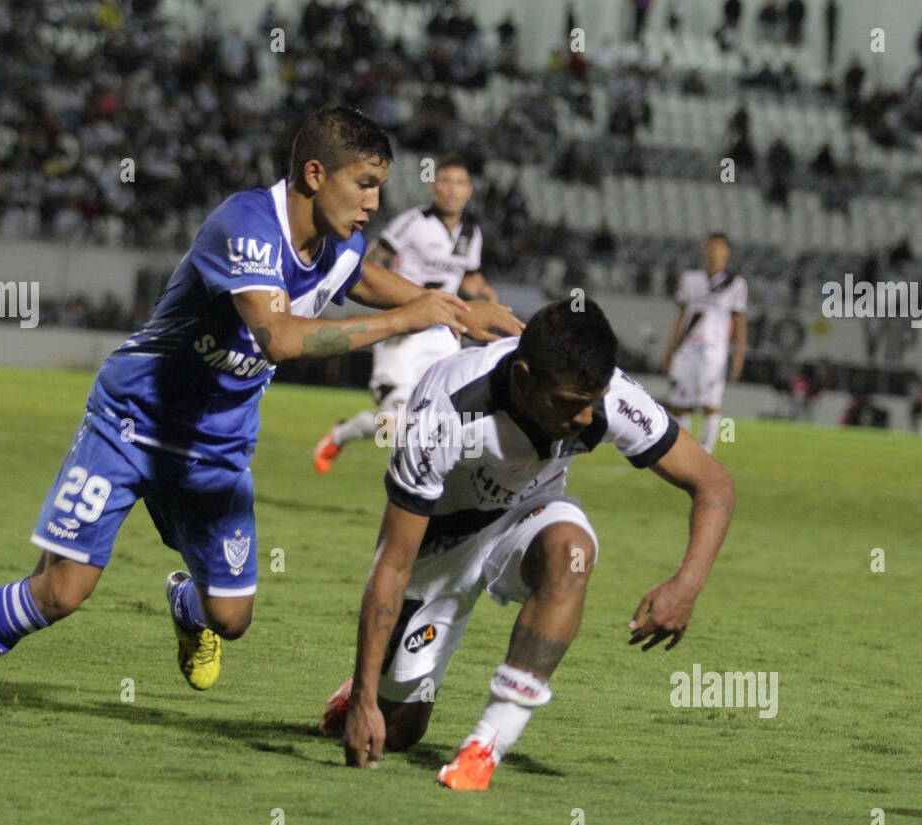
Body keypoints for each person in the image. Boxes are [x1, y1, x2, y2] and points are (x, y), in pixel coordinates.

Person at [0, 107, 521, 719]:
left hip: (217, 448)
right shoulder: (246, 224)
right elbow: (278, 337)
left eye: (380, 188)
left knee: (231, 619)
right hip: (132, 424)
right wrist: (406, 321)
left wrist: (461, 314)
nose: (374, 204)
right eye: (366, 185)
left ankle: (188, 608)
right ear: (315, 175)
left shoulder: (335, 242)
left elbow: (364, 279)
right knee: (62, 590)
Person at [321, 298, 735, 789]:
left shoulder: (608, 398)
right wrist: (367, 701)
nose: (584, 418)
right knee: (398, 730)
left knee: (571, 555)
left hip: (526, 518)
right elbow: (392, 563)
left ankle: (485, 747)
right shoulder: (446, 406)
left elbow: (714, 483)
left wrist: (687, 583)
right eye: (567, 403)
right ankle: (362, 696)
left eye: (592, 400)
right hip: (441, 545)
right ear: (522, 377)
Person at [314, 153, 499, 474]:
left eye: (460, 183)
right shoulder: (412, 223)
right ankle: (342, 434)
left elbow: (469, 276)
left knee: (454, 423)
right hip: (404, 330)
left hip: (444, 335)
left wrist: (483, 292)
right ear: (434, 186)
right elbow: (370, 262)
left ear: (469, 190)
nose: (452, 190)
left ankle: (440, 500)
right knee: (397, 426)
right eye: (445, 182)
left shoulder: (472, 233)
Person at [660, 234, 748, 453]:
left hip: (714, 353)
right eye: (710, 247)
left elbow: (739, 322)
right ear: (704, 250)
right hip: (687, 350)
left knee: (709, 404)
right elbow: (680, 316)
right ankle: (684, 451)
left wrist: (738, 356)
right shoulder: (690, 280)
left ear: (727, 252)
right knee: (680, 404)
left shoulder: (736, 284)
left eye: (719, 247)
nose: (714, 252)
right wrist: (669, 348)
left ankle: (706, 452)